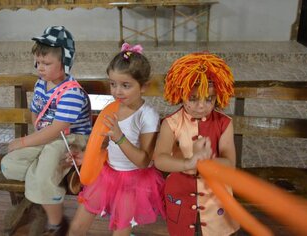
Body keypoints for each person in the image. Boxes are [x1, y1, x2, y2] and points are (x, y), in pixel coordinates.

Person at [0, 26, 92, 236]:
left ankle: (57, 222)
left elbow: (58, 129)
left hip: (70, 138)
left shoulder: (72, 93)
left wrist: (24, 142)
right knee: (9, 165)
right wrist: (36, 136)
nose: (40, 68)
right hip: (47, 135)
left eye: (46, 63)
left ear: (65, 63)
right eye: (38, 62)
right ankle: (48, 180)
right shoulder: (41, 84)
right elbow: (36, 111)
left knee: (43, 174)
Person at [67, 43, 166, 236]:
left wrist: (119, 137)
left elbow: (144, 161)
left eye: (125, 85)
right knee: (77, 227)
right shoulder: (112, 109)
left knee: (120, 232)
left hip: (134, 181)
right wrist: (85, 156)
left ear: (143, 87)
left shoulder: (147, 116)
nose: (117, 91)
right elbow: (104, 143)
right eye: (113, 84)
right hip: (107, 175)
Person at [154, 52, 240, 236]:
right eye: (193, 98)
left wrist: (204, 161)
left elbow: (230, 164)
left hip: (215, 197)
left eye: (209, 99)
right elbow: (159, 160)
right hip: (180, 195)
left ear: (218, 95)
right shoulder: (171, 123)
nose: (201, 106)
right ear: (180, 93)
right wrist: (188, 163)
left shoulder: (224, 123)